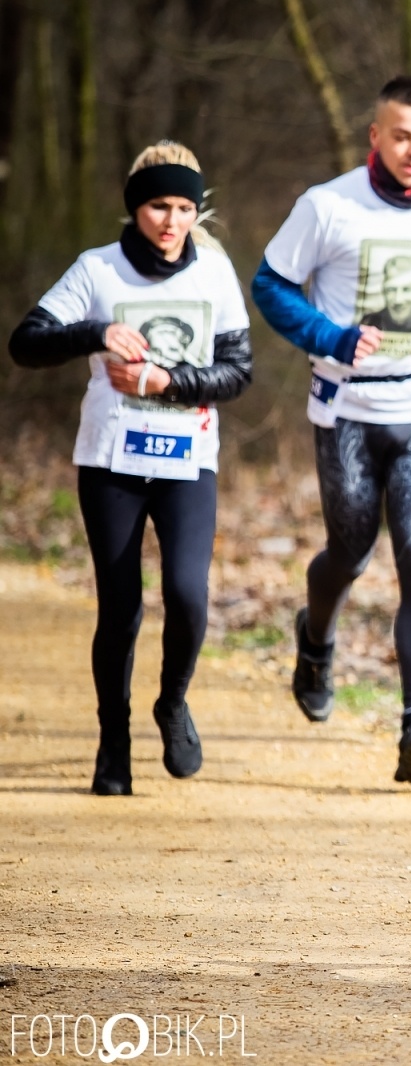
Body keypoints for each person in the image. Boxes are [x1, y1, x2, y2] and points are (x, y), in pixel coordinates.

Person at [251, 74, 411, 787]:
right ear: (376, 137)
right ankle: (316, 637)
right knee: (350, 554)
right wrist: (326, 334)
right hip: (349, 413)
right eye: (401, 137)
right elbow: (269, 284)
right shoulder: (326, 208)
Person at [7, 141, 253, 795]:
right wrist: (95, 332)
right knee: (120, 608)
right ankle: (112, 744)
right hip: (111, 461)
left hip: (188, 460)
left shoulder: (214, 274)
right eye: (157, 207)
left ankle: (171, 703)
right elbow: (25, 344)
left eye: (182, 207)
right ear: (134, 208)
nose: (171, 221)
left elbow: (238, 372)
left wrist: (164, 379)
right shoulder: (98, 270)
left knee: (188, 595)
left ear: (197, 210)